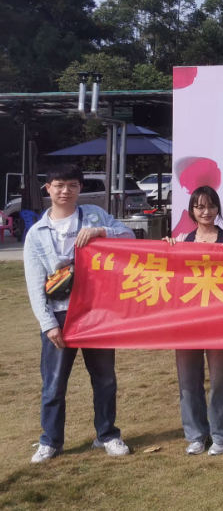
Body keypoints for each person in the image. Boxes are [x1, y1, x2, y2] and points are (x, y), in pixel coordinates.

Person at [23, 163, 135, 463]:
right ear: (48, 188)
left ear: (80, 188)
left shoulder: (94, 216)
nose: (65, 191)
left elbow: (129, 237)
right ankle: (50, 441)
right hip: (60, 315)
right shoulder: (37, 233)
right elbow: (35, 283)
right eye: (59, 185)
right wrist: (48, 324)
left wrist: (101, 231)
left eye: (72, 185)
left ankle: (107, 435)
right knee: (54, 383)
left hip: (97, 312)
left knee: (105, 379)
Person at [164, 186, 223, 456]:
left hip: (221, 322)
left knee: (221, 380)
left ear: (218, 209)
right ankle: (196, 435)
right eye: (200, 207)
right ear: (191, 211)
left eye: (211, 206)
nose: (206, 212)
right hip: (187, 322)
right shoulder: (181, 240)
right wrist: (166, 249)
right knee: (187, 380)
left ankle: (221, 434)